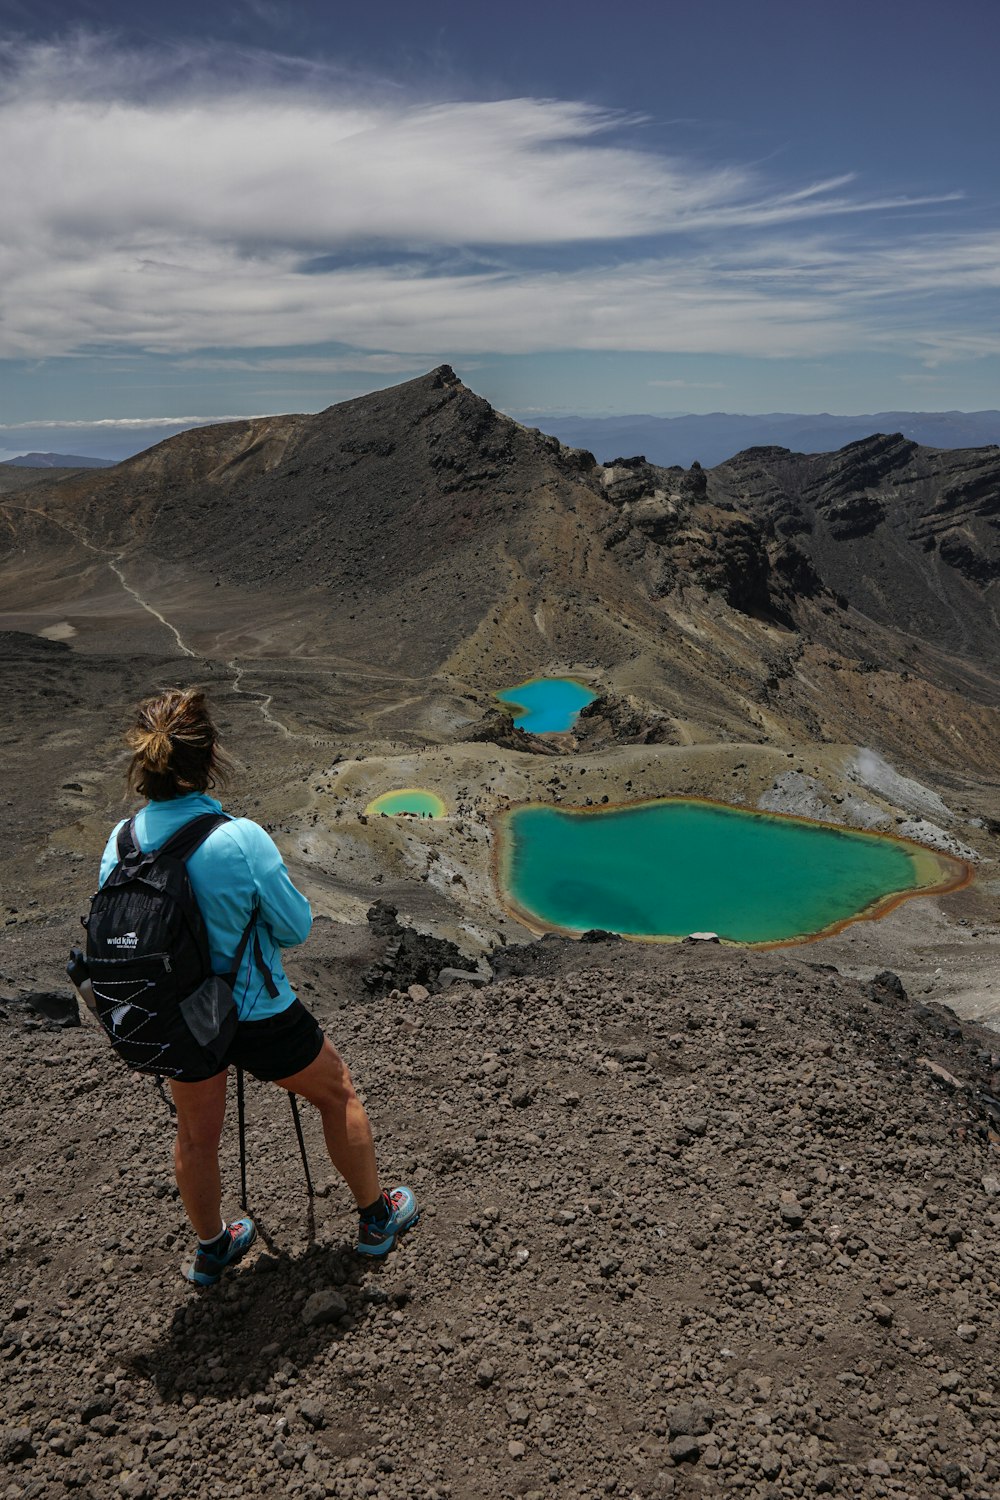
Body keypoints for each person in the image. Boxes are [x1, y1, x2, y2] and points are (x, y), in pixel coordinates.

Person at [98, 687, 417, 1286]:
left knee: (195, 1133)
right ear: (210, 754)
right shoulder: (237, 838)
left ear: (144, 763)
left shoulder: (122, 842)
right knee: (337, 1092)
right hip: (254, 1011)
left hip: (179, 1020)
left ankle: (214, 1248)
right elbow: (295, 928)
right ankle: (377, 1220)